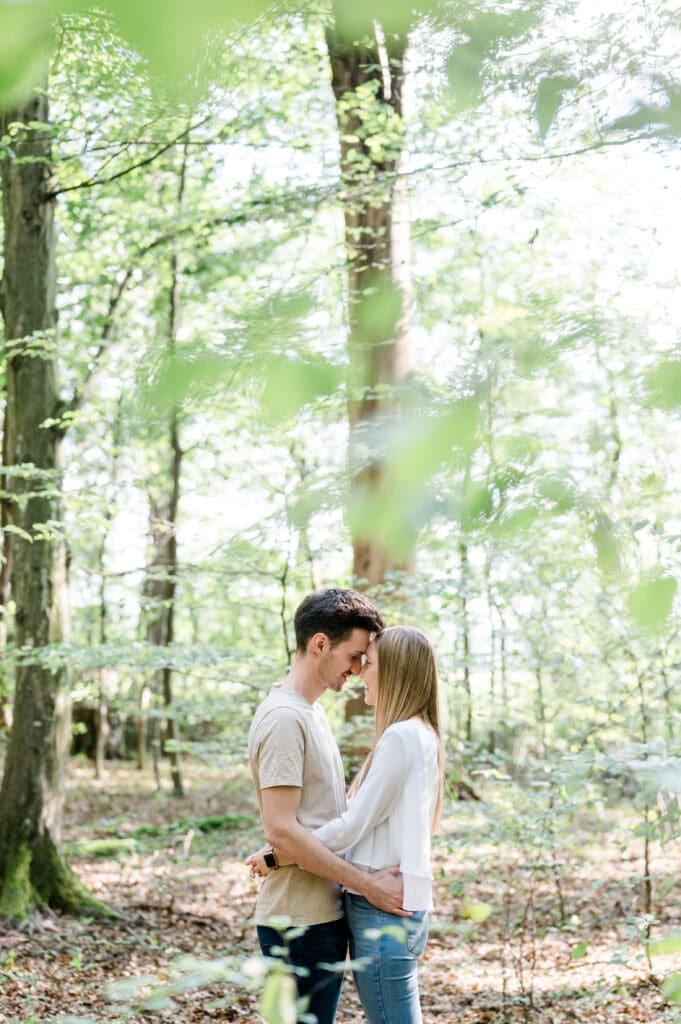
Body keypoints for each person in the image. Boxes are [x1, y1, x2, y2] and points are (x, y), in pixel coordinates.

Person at [248, 624, 443, 1024]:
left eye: (367, 662)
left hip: (384, 907)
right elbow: (355, 816)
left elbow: (351, 826)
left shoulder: (401, 737)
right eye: (357, 658)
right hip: (384, 903)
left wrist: (277, 856)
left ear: (394, 673)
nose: (359, 671)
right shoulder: (419, 734)